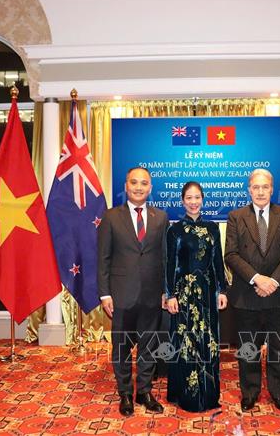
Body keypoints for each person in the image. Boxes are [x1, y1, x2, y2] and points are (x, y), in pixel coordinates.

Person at [224, 169, 280, 412]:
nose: (260, 191)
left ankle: (279, 392)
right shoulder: (236, 217)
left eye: (264, 187)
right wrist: (257, 279)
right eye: (255, 187)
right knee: (248, 348)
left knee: (279, 347)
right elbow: (231, 255)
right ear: (249, 190)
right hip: (247, 295)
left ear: (271, 189)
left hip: (277, 294)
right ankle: (250, 392)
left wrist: (272, 282)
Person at [98, 166, 169, 416]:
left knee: (149, 346)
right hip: (121, 295)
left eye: (144, 183)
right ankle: (126, 393)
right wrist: (105, 294)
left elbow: (165, 257)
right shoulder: (110, 217)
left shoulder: (161, 217)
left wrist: (166, 291)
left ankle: (144, 392)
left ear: (150, 188)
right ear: (126, 186)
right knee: (121, 348)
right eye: (134, 182)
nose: (139, 187)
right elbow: (103, 258)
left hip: (152, 294)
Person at [165, 181, 228, 412]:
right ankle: (187, 396)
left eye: (197, 197)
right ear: (182, 201)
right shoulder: (174, 230)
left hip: (208, 294)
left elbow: (218, 261)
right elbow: (170, 264)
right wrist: (170, 295)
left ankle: (209, 395)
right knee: (186, 343)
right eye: (189, 198)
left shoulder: (212, 228)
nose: (193, 202)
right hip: (183, 296)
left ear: (203, 199)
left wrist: (222, 290)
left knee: (208, 342)